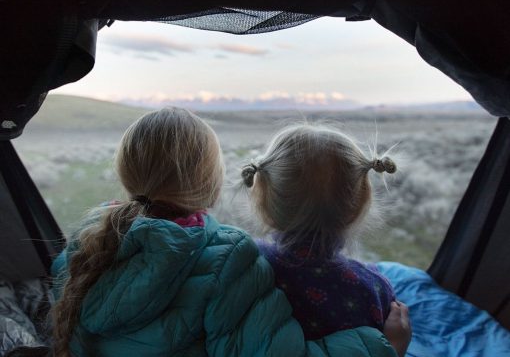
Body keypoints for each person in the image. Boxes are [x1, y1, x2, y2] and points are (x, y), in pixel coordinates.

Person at [51, 108, 409, 357]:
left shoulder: (87, 240)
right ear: (211, 181)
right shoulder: (228, 260)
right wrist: (381, 346)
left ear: (125, 172)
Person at [241, 124, 410, 349]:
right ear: (358, 207)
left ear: (263, 201)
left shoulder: (243, 262)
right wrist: (396, 346)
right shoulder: (372, 289)